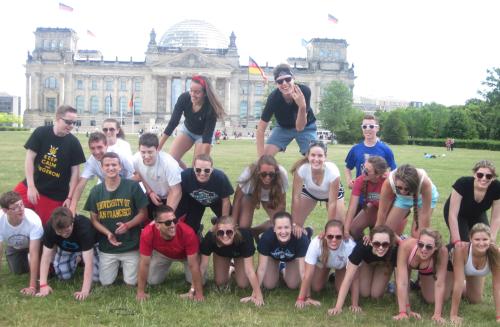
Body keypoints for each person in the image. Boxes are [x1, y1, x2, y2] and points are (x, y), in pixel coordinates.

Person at [13, 105, 86, 225]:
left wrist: (69, 198)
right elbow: (29, 159)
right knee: (9, 208)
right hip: (31, 186)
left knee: (46, 228)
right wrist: (31, 186)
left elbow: (75, 174)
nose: (71, 126)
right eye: (68, 122)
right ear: (57, 118)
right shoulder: (41, 132)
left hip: (54, 195)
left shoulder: (74, 143)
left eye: (74, 122)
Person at [84, 152, 148, 286]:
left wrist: (128, 225)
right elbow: (94, 219)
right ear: (102, 168)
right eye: (107, 165)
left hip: (131, 245)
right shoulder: (96, 191)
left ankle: (126, 266)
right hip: (107, 247)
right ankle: (117, 267)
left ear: (120, 167)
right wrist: (107, 233)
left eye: (114, 164)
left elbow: (143, 213)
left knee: (131, 282)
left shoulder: (132, 186)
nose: (111, 168)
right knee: (105, 282)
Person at [136, 205, 204, 302]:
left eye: (175, 221)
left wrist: (198, 294)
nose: (173, 225)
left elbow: (193, 265)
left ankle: (199, 234)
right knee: (152, 280)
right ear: (157, 225)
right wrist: (140, 292)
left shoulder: (187, 232)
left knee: (201, 281)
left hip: (186, 256)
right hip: (162, 253)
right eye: (168, 223)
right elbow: (144, 263)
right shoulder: (147, 232)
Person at [328, 225, 397, 315]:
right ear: (371, 242)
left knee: (375, 295)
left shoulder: (394, 250)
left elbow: (401, 281)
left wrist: (403, 311)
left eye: (385, 244)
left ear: (390, 243)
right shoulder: (362, 246)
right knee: (364, 293)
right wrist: (338, 307)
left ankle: (386, 285)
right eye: (376, 244)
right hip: (367, 263)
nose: (380, 247)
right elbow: (348, 278)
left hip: (383, 264)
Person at [158, 75, 225, 168]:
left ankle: (193, 173)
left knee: (197, 167)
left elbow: (207, 138)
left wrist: (204, 160)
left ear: (205, 93)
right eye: (191, 90)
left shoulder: (211, 108)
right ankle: (186, 172)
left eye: (197, 92)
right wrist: (159, 145)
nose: (192, 95)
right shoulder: (184, 98)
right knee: (171, 160)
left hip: (203, 136)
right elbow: (173, 122)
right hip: (188, 131)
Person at [36, 207, 99, 301]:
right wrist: (43, 285)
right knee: (63, 275)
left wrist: (85, 291)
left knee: (97, 278)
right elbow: (45, 256)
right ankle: (78, 259)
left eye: (67, 231)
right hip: (67, 248)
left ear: (72, 222)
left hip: (89, 247)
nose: (64, 235)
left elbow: (89, 262)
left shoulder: (84, 227)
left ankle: (82, 258)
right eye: (59, 232)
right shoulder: (50, 227)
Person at [199, 216, 263, 306]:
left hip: (239, 255)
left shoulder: (245, 236)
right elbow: (202, 267)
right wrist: (193, 290)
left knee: (243, 284)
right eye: (220, 232)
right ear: (215, 231)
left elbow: (250, 270)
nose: (225, 236)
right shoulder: (210, 237)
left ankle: (233, 264)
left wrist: (258, 296)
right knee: (220, 282)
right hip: (221, 254)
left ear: (235, 231)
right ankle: (231, 268)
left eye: (229, 232)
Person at [256, 63, 317, 157]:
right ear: (276, 84)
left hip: (306, 127)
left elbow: (300, 127)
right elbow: (260, 129)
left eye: (287, 79)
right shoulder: (273, 98)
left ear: (293, 79)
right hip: (283, 127)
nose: (284, 83)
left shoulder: (304, 91)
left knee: (315, 157)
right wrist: (261, 160)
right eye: (280, 81)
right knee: (266, 158)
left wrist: (302, 106)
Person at [70, 131, 135, 215]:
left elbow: (138, 175)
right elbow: (81, 184)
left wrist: (121, 186)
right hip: (110, 191)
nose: (96, 152)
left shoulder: (120, 155)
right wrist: (72, 207)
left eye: (99, 147)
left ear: (107, 145)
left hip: (129, 189)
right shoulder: (91, 162)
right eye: (92, 148)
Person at [296, 220, 356, 309]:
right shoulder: (316, 243)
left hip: (342, 266)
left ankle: (335, 275)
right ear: (324, 235)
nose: (334, 240)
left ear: (343, 236)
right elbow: (307, 274)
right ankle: (327, 272)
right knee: (316, 287)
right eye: (330, 236)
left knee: (342, 290)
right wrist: (301, 298)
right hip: (323, 263)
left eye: (338, 237)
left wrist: (354, 304)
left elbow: (355, 277)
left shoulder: (350, 246)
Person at [393, 228, 449, 323]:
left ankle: (420, 283)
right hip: (408, 262)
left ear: (435, 247)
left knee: (431, 299)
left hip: (427, 268)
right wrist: (404, 311)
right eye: (420, 244)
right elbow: (402, 282)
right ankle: (407, 303)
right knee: (400, 293)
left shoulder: (442, 252)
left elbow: (439, 284)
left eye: (429, 247)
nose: (423, 249)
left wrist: (437, 314)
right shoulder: (406, 246)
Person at [290, 141, 344, 238]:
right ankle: (307, 233)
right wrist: (295, 223)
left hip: (331, 196)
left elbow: (332, 203)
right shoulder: (301, 169)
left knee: (338, 230)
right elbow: (296, 197)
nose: (316, 159)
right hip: (310, 192)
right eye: (313, 155)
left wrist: (328, 229)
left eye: (320, 156)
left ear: (325, 157)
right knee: (294, 229)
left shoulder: (333, 172)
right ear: (308, 156)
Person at [449, 223, 500, 324]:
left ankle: (461, 284)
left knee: (475, 299)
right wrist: (453, 315)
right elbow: (458, 283)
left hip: (469, 272)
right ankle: (444, 284)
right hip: (449, 266)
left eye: (485, 239)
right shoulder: (461, 250)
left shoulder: (496, 253)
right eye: (477, 239)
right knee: (435, 297)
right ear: (470, 239)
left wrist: (499, 316)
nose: (481, 243)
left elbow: (497, 286)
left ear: (490, 240)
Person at [444, 160, 500, 244]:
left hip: (478, 213)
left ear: (493, 178)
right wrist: (457, 241)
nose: (484, 179)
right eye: (480, 175)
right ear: (474, 174)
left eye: (488, 176)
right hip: (458, 214)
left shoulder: (496, 187)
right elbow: (452, 214)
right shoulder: (462, 183)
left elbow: (496, 218)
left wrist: (491, 240)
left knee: (484, 240)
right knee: (464, 243)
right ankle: (451, 253)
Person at [175, 154, 234, 234]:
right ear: (194, 168)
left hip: (217, 201)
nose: (202, 173)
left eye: (207, 170)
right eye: (198, 170)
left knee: (231, 223)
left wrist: (223, 220)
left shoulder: (220, 177)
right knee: (190, 227)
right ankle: (198, 230)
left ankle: (217, 220)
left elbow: (226, 200)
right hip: (195, 201)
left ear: (212, 169)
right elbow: (176, 192)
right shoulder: (185, 176)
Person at [376, 164, 439, 237]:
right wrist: (376, 234)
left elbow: (425, 214)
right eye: (399, 188)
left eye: (406, 189)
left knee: (417, 235)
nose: (402, 192)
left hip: (422, 197)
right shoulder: (389, 183)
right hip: (403, 199)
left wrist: (424, 237)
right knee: (388, 232)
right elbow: (382, 212)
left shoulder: (424, 183)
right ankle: (402, 241)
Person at [0, 191, 43, 295]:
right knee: (17, 271)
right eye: (15, 207)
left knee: (44, 270)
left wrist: (32, 287)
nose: (21, 209)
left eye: (21, 204)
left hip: (34, 245)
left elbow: (33, 253)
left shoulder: (33, 220)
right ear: (5, 210)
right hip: (14, 246)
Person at [232, 155, 288, 235]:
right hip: (250, 196)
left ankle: (254, 232)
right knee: (243, 226)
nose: (267, 178)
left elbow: (282, 201)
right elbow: (237, 199)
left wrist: (282, 220)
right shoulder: (248, 174)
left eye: (271, 174)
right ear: (258, 172)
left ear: (276, 172)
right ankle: (244, 231)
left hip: (270, 196)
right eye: (264, 174)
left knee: (278, 224)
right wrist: (233, 224)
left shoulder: (282, 174)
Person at [133, 133, 182, 220]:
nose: (146, 156)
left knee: (170, 223)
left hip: (174, 194)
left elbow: (176, 192)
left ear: (157, 149)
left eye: (150, 152)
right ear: (139, 149)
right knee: (151, 221)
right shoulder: (135, 160)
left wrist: (166, 216)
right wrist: (150, 192)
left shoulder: (169, 164)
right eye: (143, 152)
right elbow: (140, 175)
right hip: (156, 195)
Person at [256, 212, 310, 290]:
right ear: (274, 228)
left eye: (286, 227)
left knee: (293, 285)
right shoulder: (266, 238)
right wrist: (255, 293)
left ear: (292, 227)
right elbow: (261, 268)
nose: (283, 232)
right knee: (269, 285)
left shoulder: (301, 239)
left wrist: (306, 296)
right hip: (273, 257)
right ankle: (278, 267)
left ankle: (282, 268)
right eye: (279, 228)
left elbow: (303, 271)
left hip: (292, 258)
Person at [344, 114, 396, 190]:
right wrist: (349, 181)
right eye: (364, 126)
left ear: (377, 128)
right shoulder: (355, 149)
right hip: (360, 194)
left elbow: (394, 170)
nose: (367, 129)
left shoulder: (386, 149)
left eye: (371, 126)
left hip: (379, 195)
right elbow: (348, 167)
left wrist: (388, 178)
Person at [344, 156, 388, 240]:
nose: (363, 173)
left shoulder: (387, 181)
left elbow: (387, 210)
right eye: (363, 168)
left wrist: (375, 232)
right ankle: (363, 246)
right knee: (353, 229)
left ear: (378, 174)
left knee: (383, 236)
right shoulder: (359, 180)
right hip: (375, 206)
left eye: (367, 171)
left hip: (390, 210)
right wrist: (346, 229)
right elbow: (352, 207)